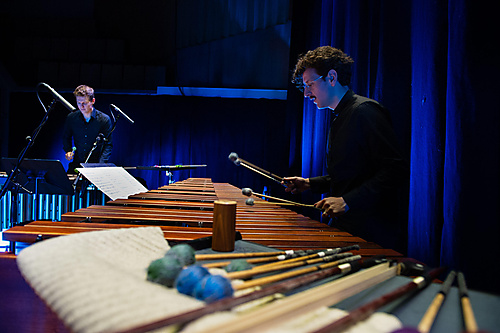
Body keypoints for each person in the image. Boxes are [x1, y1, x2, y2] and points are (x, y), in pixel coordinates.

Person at [283, 46, 409, 253]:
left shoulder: (365, 112)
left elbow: (396, 170)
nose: (306, 93)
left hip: (372, 231)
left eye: (309, 84)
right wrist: (309, 183)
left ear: (331, 77)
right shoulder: (342, 116)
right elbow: (355, 174)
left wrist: (347, 201)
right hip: (350, 226)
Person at [63, 85, 113, 174]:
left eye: (84, 103)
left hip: (96, 165)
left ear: (92, 101)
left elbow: (108, 145)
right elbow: (66, 136)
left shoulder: (104, 119)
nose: (81, 106)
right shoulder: (71, 118)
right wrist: (68, 150)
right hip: (77, 163)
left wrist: (101, 165)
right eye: (78, 103)